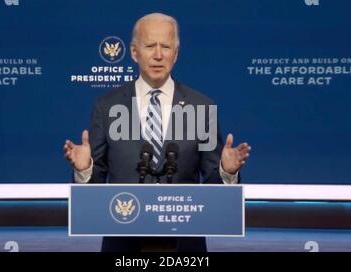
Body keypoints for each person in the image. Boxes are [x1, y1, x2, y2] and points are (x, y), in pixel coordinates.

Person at [63, 13, 251, 252]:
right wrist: (84, 169)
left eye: (166, 46)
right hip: (123, 241)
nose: (158, 55)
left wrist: (226, 171)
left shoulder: (201, 107)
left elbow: (213, 189)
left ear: (176, 54)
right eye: (150, 46)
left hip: (185, 244)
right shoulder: (107, 106)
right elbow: (96, 186)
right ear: (134, 52)